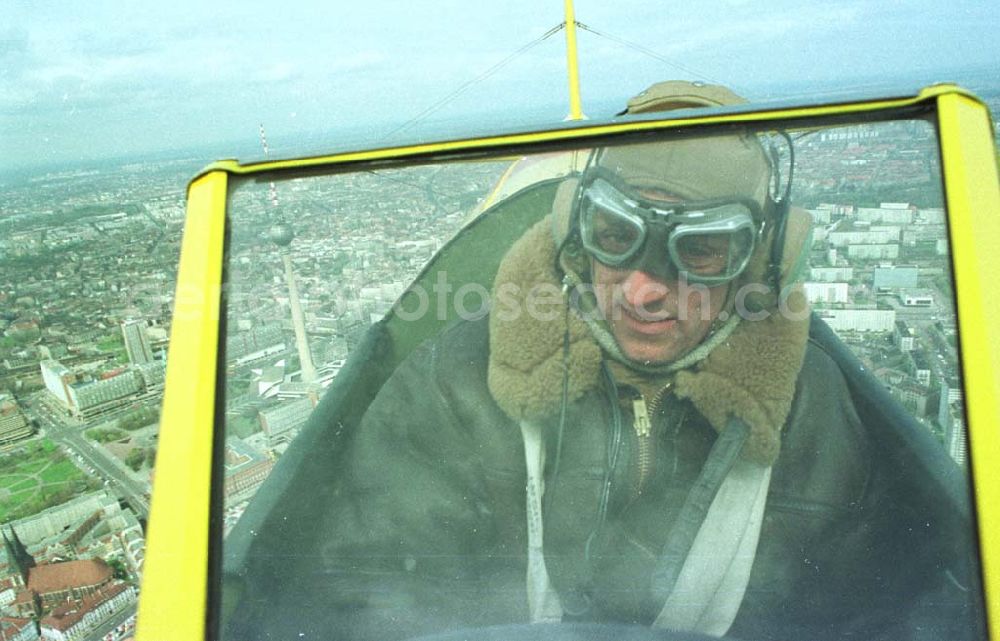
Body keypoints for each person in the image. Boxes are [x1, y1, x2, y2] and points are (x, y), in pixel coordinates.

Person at [225, 82, 982, 641]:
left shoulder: (811, 414)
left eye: (702, 250)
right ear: (575, 230)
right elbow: (362, 597)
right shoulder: (456, 383)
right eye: (618, 236)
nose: (647, 289)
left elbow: (867, 611)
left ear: (758, 265)